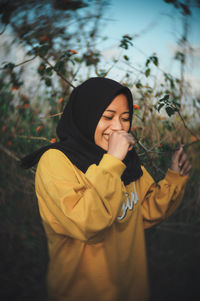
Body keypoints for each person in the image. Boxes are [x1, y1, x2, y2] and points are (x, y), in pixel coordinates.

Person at [21, 77, 191, 301]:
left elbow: (145, 209)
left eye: (126, 118)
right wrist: (112, 161)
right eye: (108, 117)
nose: (119, 128)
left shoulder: (125, 161)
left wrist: (175, 178)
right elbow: (88, 225)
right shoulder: (56, 161)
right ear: (86, 116)